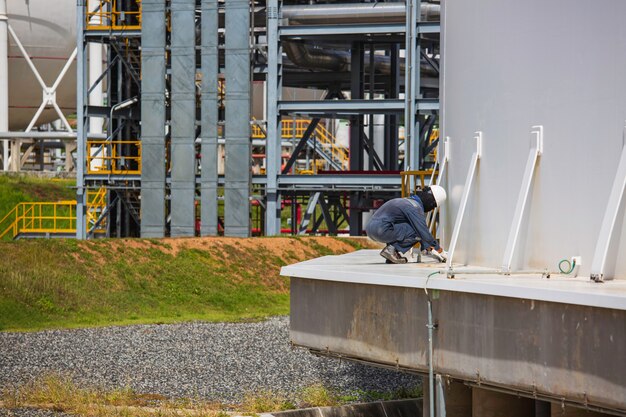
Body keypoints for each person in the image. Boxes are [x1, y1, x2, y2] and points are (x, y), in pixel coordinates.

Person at [365, 185, 448, 264]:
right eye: (433, 206)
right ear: (431, 201)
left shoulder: (406, 201)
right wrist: (439, 249)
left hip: (371, 229)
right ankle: (391, 251)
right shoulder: (415, 207)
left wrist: (426, 246)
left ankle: (391, 256)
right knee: (418, 231)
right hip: (381, 229)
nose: (432, 209)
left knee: (406, 226)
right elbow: (422, 231)